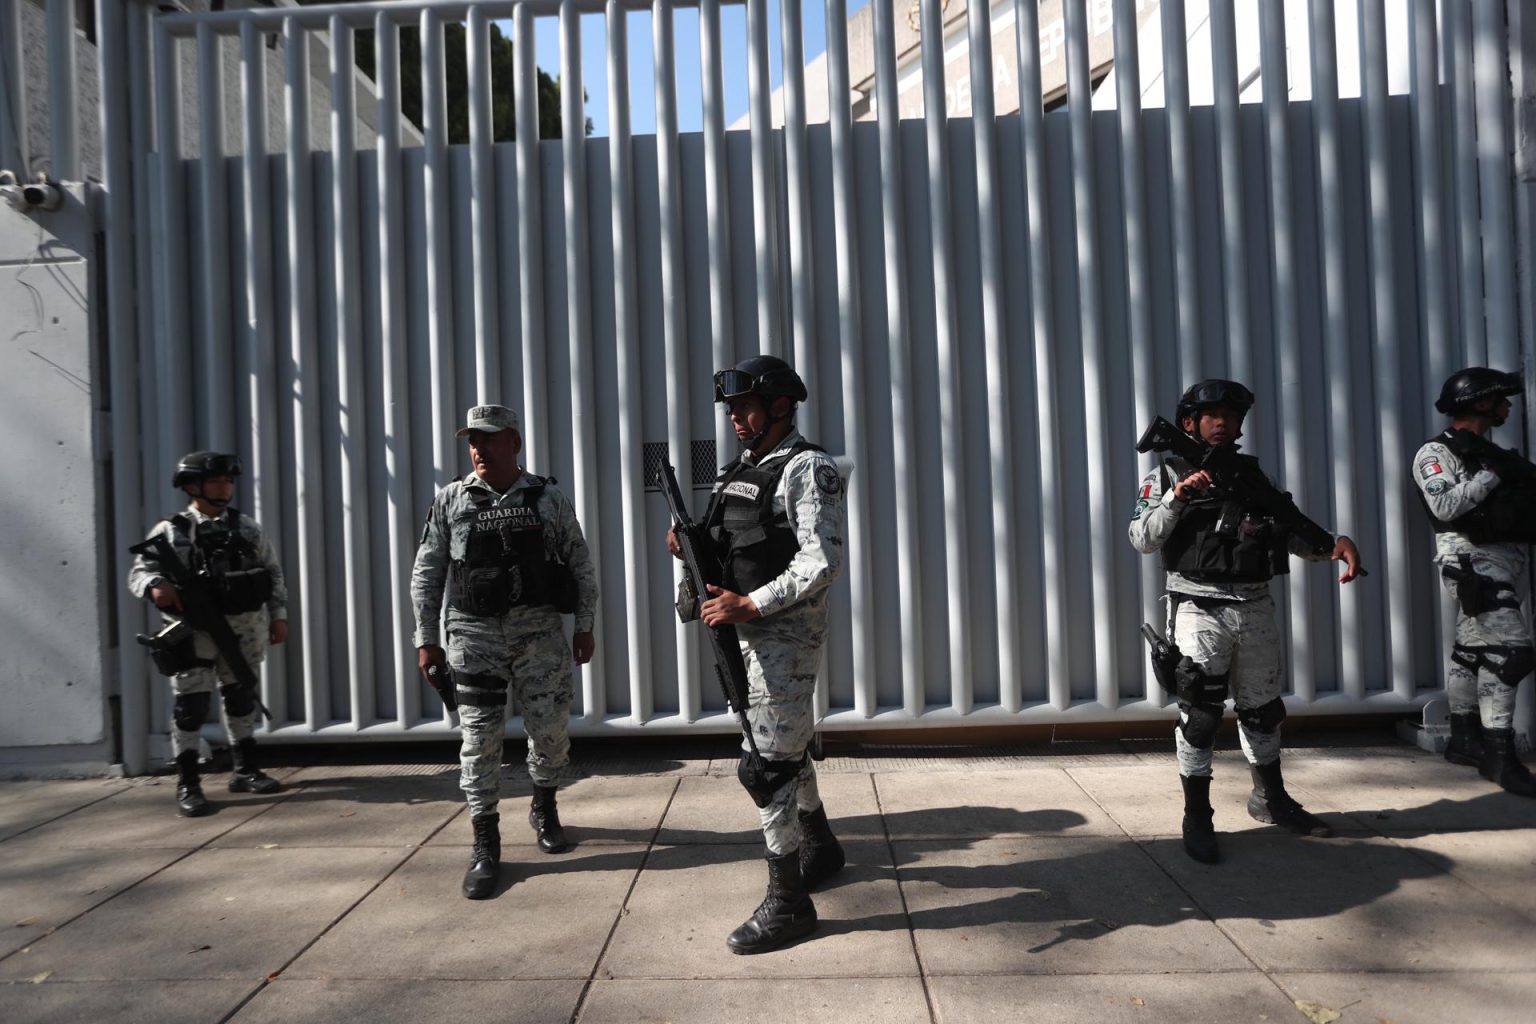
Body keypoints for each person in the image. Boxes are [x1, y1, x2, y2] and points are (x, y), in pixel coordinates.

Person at [1128, 380, 1363, 864]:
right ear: (1189, 422)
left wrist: (1332, 546)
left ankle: (1270, 799)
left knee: (1262, 711)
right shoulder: (1167, 471)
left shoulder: (1254, 476)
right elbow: (1142, 537)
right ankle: (1198, 815)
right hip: (1197, 607)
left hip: (1255, 606)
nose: (1222, 423)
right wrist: (1178, 497)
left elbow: (1287, 526)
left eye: (1231, 417)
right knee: (1201, 716)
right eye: (1211, 415)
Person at [666, 354, 847, 954]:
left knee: (764, 766)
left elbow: (819, 560)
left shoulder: (806, 467)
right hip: (743, 634)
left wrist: (754, 604)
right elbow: (732, 547)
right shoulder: (741, 471)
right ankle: (819, 843)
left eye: (745, 407)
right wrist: (688, 549)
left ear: (778, 405)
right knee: (785, 749)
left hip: (785, 639)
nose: (736, 419)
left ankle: (789, 904)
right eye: (731, 410)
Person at [411, 404, 599, 899]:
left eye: (488, 439)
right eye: (472, 440)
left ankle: (545, 805)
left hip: (539, 637)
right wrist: (426, 639)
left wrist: (585, 625)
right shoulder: (452, 500)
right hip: (473, 638)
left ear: (513, 442)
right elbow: (427, 572)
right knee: (478, 742)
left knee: (551, 734)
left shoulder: (547, 498)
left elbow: (579, 562)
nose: (478, 449)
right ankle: (486, 842)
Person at [127, 451, 288, 816]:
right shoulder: (170, 531)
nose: (225, 487)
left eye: (229, 481)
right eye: (216, 481)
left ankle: (245, 770)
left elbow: (272, 573)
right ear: (191, 486)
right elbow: (139, 572)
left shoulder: (247, 527)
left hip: (244, 629)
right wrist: (155, 583)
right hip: (192, 632)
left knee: (241, 697)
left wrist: (279, 616)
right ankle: (188, 782)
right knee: (191, 707)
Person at [1414, 367, 1535, 797]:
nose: (1507, 406)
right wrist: (1494, 474)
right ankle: (1499, 755)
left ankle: (1464, 740)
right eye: (1501, 398)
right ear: (1480, 402)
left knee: (1472, 650)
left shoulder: (1489, 451)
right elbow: (1445, 504)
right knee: (1511, 652)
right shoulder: (1436, 452)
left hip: (1505, 559)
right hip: (1470, 560)